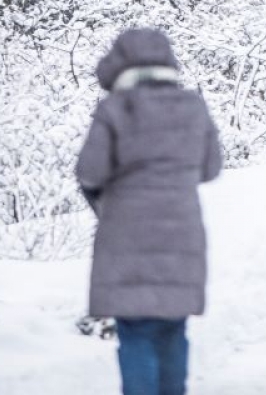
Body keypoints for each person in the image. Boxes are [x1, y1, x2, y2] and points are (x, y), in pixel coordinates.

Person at [75, 28, 223, 395]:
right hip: (182, 234)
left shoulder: (115, 108)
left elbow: (89, 171)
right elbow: (211, 168)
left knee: (137, 332)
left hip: (127, 234)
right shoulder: (193, 106)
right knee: (173, 329)